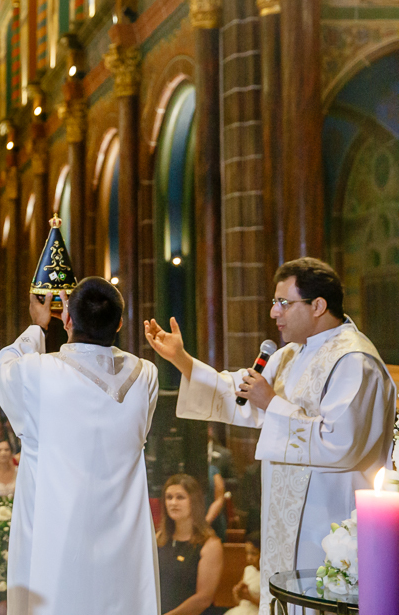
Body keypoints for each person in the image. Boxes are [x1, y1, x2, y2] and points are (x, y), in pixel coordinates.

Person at [146, 257, 396, 609]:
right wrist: (182, 360)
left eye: (283, 303)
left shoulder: (355, 361)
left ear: (318, 306)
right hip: (284, 523)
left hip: (327, 520)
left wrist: (272, 402)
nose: (273, 313)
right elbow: (239, 393)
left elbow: (341, 443)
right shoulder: (291, 355)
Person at [0, 278, 160, 615]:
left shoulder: (38, 371)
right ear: (121, 323)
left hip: (58, 535)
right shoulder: (146, 375)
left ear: (67, 319)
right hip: (123, 538)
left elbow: (2, 370)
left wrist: (38, 326)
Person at [157, 475, 223, 615]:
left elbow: (203, 599)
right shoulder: (159, 539)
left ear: (194, 502)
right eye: (169, 497)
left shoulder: (210, 545)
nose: (173, 503)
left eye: (180, 497)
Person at [226, 532, 261, 615]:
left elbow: (269, 606)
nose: (249, 558)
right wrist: (237, 593)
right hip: (243, 610)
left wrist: (249, 597)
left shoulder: (267, 575)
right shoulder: (248, 570)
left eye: (254, 554)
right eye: (247, 553)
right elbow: (239, 602)